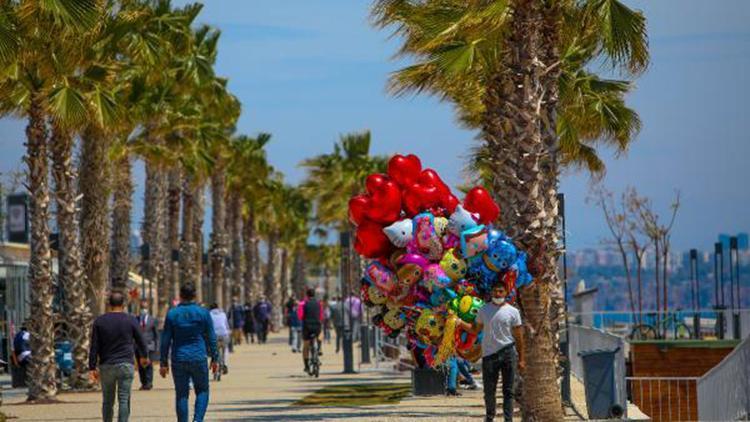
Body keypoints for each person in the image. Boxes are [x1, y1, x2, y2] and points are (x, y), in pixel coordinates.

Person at [460, 282, 525, 422]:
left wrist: (521, 359)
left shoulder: (513, 312)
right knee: (489, 391)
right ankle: (490, 417)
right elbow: (474, 330)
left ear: (506, 293)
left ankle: (508, 419)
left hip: (508, 352)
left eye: (501, 291)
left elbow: (519, 337)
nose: (498, 294)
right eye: (495, 291)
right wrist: (459, 322)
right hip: (489, 355)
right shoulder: (484, 310)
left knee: (508, 391)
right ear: (491, 292)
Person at [159, 283, 219, 422]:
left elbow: (165, 340)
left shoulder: (172, 314)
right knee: (202, 390)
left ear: (180, 296)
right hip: (198, 356)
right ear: (195, 296)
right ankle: (197, 420)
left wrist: (163, 362)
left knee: (181, 394)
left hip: (178, 358)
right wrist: (215, 358)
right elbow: (211, 337)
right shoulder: (203, 312)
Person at [89, 291, 149, 422]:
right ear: (123, 304)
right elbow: (141, 340)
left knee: (107, 401)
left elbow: (94, 346)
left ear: (109, 305)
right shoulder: (131, 320)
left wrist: (92, 367)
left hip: (106, 365)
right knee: (123, 399)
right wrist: (144, 357)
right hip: (126, 364)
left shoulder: (100, 321)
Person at [135, 299, 159, 390]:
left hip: (150, 345)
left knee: (149, 364)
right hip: (138, 346)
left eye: (144, 307)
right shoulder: (136, 319)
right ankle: (143, 383)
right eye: (142, 307)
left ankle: (149, 383)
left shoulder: (152, 320)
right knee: (140, 365)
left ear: (147, 308)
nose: (143, 309)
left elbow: (156, 335)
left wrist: (156, 347)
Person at [298, 288, 323, 374]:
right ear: (314, 294)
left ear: (307, 295)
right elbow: (321, 316)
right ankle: (319, 347)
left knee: (306, 346)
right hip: (316, 325)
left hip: (307, 326)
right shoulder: (319, 303)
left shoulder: (302, 304)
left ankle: (306, 366)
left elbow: (300, 316)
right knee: (321, 333)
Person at [209, 303, 231, 372]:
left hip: (214, 335)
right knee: (225, 348)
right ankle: (225, 364)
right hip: (224, 334)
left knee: (213, 349)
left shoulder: (209, 314)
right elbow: (226, 325)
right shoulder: (223, 314)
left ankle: (214, 361)